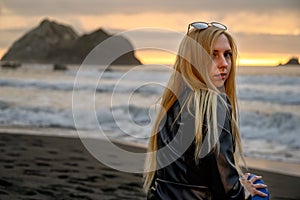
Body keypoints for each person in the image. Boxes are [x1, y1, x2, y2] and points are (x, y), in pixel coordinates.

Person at [143, 22, 268, 199]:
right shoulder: (213, 104)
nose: (223, 64)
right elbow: (226, 192)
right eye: (212, 55)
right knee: (261, 192)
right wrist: (244, 193)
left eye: (227, 54)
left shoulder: (171, 104)